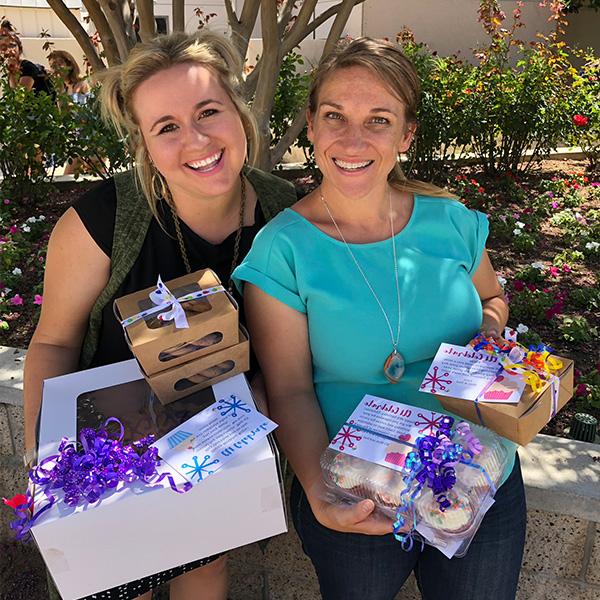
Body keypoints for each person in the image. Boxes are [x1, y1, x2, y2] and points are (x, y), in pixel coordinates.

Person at [233, 37, 526, 600]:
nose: (353, 139)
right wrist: (319, 492)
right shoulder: (283, 250)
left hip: (478, 475)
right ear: (312, 127)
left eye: (379, 120)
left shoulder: (453, 223)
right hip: (355, 488)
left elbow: (493, 300)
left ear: (405, 135)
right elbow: (289, 389)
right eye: (334, 117)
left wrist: (488, 342)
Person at [22, 31, 296, 600]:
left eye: (208, 111)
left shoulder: (287, 215)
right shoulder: (102, 221)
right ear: (145, 143)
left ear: (240, 113)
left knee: (204, 569)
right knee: (120, 583)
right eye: (166, 127)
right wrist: (46, 468)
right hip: (111, 451)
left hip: (217, 450)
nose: (195, 139)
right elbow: (53, 346)